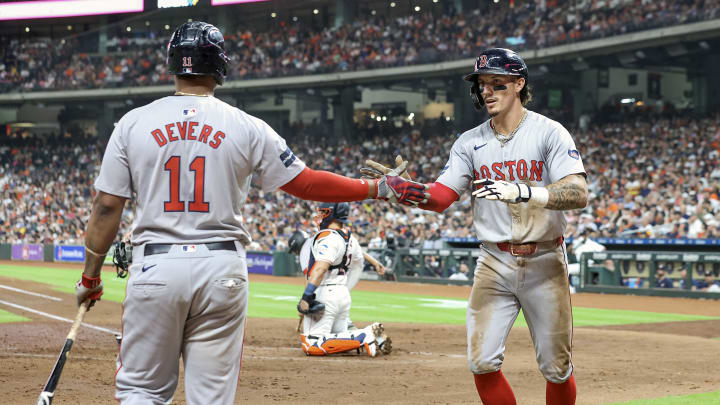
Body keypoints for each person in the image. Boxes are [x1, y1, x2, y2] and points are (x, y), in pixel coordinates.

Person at [73, 21, 424, 405]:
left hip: (156, 267)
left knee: (142, 392)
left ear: (172, 63)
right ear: (220, 66)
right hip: (222, 269)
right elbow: (305, 183)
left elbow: (107, 206)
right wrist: (375, 188)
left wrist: (91, 277)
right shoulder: (247, 125)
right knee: (211, 398)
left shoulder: (132, 123)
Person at [363, 48, 586, 404]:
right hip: (494, 263)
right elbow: (441, 196)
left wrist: (521, 190)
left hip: (545, 260)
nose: (487, 92)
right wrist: (408, 191)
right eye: (483, 85)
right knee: (482, 362)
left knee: (556, 367)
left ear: (518, 84)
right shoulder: (469, 142)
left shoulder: (549, 132)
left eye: (497, 84)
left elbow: (577, 192)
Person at [295, 202, 391, 356]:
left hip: (325, 293)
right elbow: (359, 261)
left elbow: (320, 269)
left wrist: (307, 296)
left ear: (332, 214)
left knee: (311, 344)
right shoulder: (350, 238)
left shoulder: (326, 237)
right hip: (342, 293)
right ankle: (375, 338)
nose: (320, 216)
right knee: (341, 334)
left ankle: (365, 335)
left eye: (323, 212)